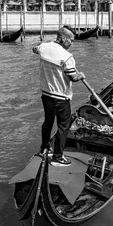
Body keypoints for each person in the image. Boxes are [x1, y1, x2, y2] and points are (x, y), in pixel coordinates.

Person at [32, 27, 85, 167]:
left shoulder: (43, 47)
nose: (72, 43)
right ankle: (57, 157)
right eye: (71, 40)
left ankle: (44, 147)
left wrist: (46, 49)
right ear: (63, 38)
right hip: (61, 97)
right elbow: (73, 77)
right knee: (64, 125)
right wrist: (81, 75)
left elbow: (34, 49)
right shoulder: (67, 57)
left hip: (46, 94)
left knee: (48, 122)